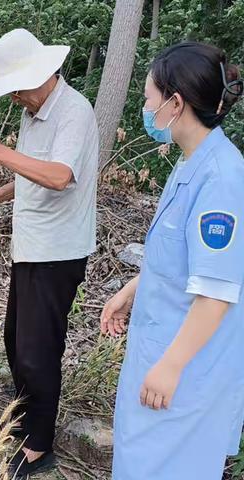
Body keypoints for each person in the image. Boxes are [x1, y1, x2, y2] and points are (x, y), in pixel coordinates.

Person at [100, 42, 244, 480]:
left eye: (148, 98)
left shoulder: (221, 178)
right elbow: (175, 254)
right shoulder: (189, 163)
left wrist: (171, 366)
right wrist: (131, 289)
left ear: (175, 103)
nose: (145, 108)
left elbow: (217, 292)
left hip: (185, 372)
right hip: (159, 348)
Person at [0, 29, 99, 477]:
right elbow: (31, 174)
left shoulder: (73, 112)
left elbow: (59, 176)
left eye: (19, 88)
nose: (17, 98)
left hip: (58, 251)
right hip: (30, 244)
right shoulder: (35, 109)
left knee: (38, 350)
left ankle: (41, 445)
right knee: (15, 340)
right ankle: (23, 420)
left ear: (42, 74)